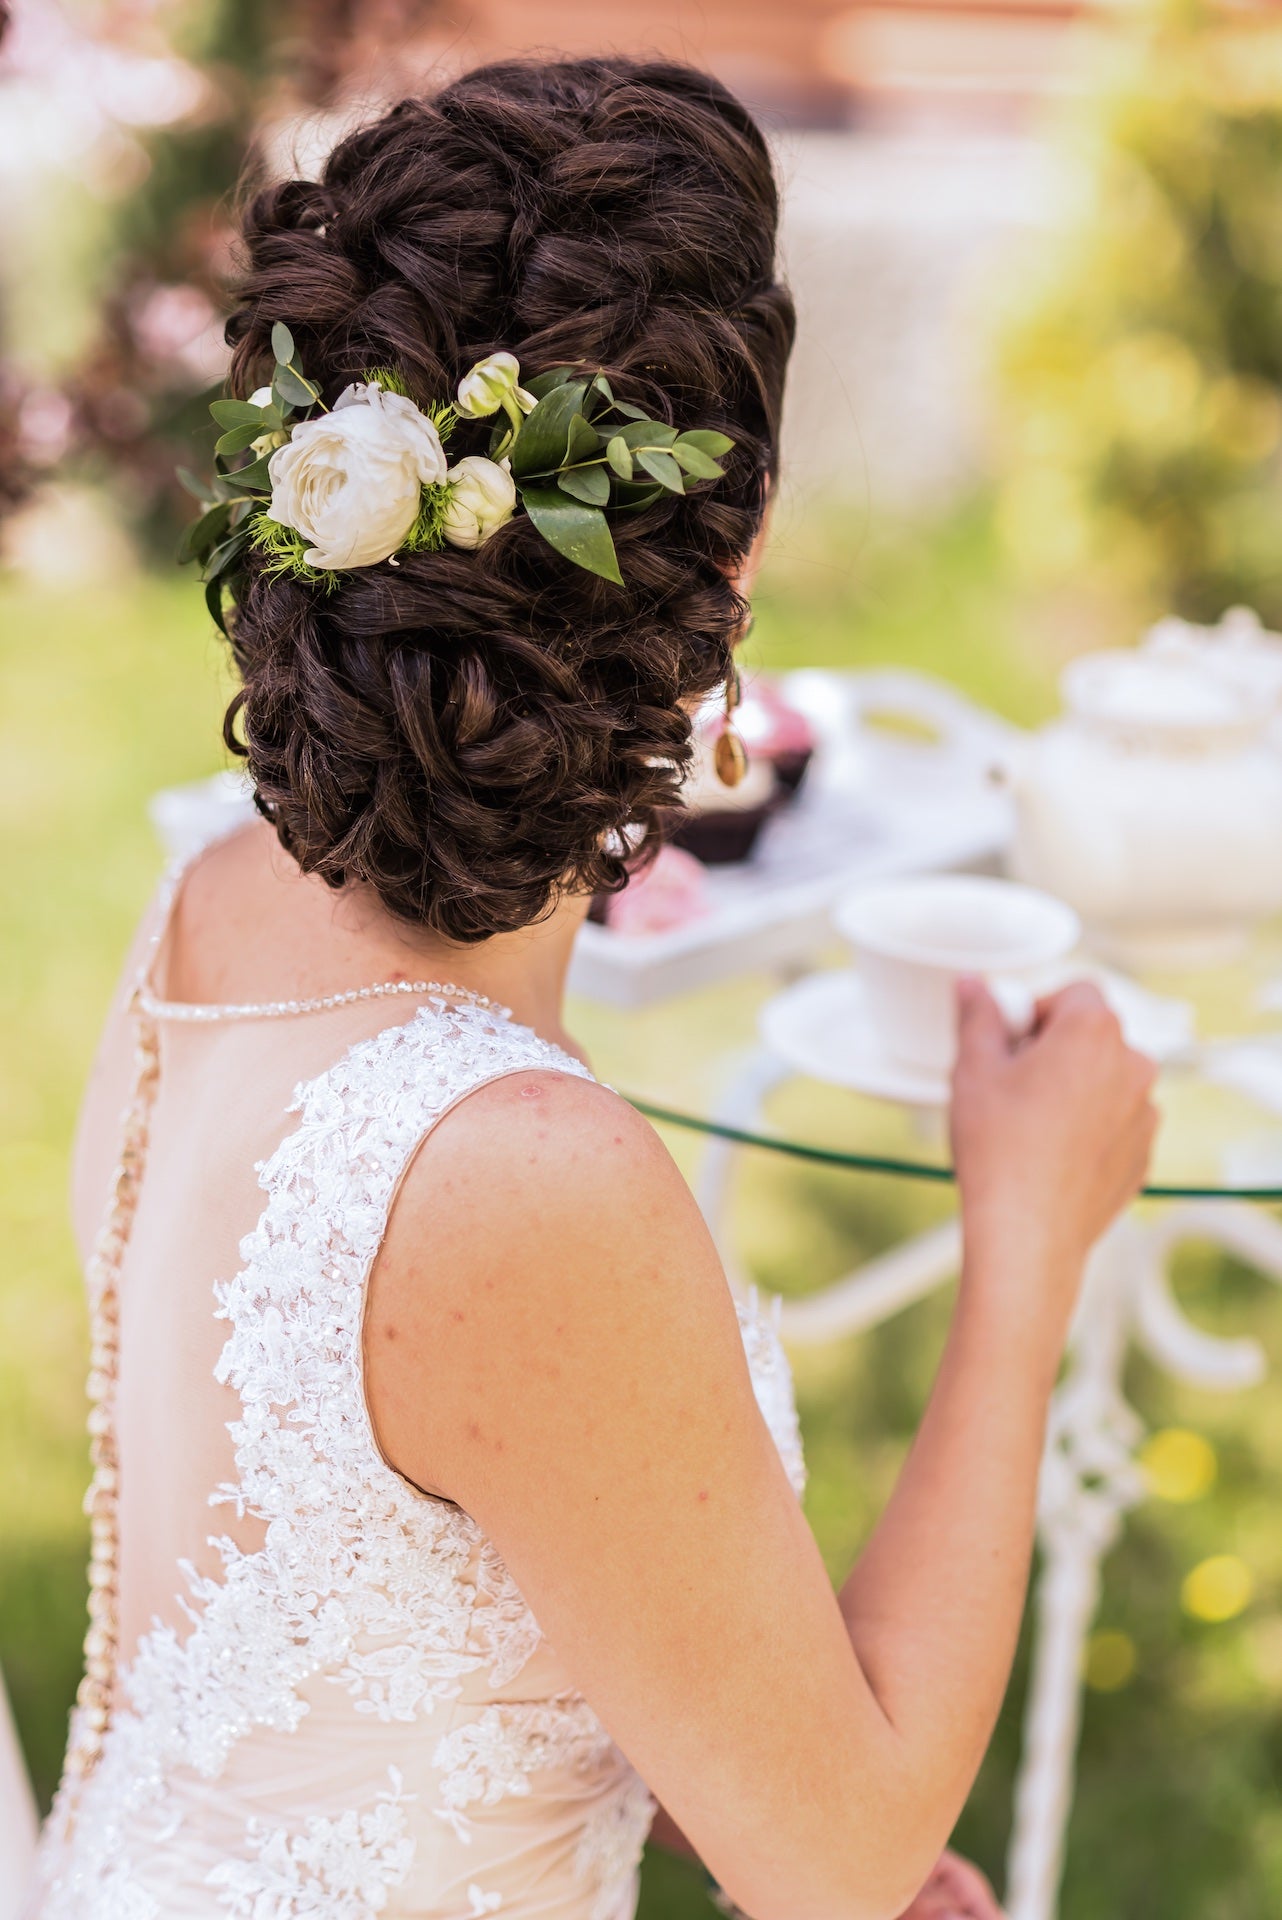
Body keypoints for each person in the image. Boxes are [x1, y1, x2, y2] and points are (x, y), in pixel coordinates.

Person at [25, 55, 1156, 1920]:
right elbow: (842, 1864)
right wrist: (1028, 1246)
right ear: (737, 547)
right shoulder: (519, 1174)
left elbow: (371, 1550)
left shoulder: (208, 897)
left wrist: (706, 1731)